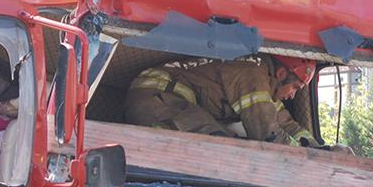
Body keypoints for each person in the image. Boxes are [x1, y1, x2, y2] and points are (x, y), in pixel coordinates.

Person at [125, 54, 317, 144]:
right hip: (155, 94)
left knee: (225, 140)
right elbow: (267, 132)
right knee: (219, 144)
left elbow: (288, 125)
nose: (293, 95)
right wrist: (301, 157)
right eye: (295, 87)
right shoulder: (252, 74)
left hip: (168, 100)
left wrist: (320, 151)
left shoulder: (266, 88)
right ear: (281, 74)